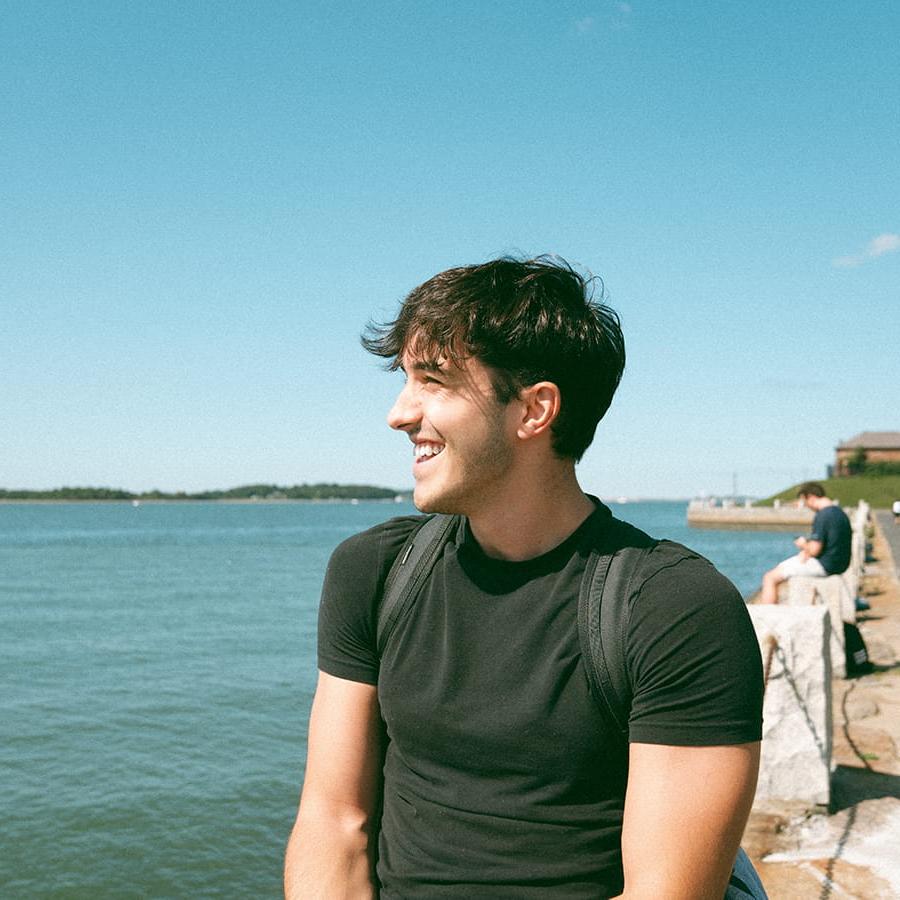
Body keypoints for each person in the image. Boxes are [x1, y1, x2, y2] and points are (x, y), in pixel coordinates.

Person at [284, 257, 764, 899]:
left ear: (535, 410)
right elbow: (333, 822)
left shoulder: (674, 607)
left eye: (433, 380)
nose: (399, 414)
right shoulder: (373, 572)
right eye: (405, 379)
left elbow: (665, 893)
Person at [759, 482, 852, 605]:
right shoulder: (839, 513)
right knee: (790, 565)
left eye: (805, 501)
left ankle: (767, 617)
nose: (807, 506)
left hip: (826, 566)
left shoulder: (822, 515)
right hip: (840, 564)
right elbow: (831, 543)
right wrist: (807, 552)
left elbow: (815, 550)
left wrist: (803, 544)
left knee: (770, 577)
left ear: (811, 497)